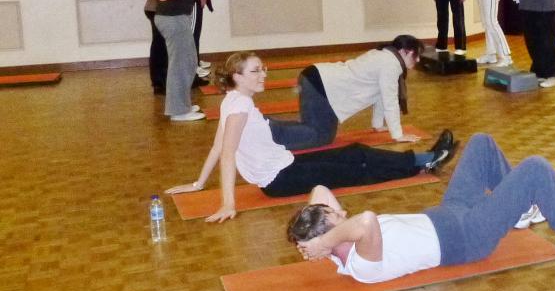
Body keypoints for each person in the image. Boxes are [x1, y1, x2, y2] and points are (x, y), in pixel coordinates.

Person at [165, 52, 456, 224]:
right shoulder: (239, 105)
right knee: (357, 161)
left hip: (284, 167)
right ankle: (426, 161)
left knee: (354, 154)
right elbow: (227, 153)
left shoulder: (232, 100)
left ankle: (424, 160)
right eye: (256, 71)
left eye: (263, 68)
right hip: (281, 179)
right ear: (237, 77)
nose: (263, 74)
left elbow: (218, 146)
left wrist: (199, 183)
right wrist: (228, 203)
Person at [287, 133, 555, 283]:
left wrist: (319, 241)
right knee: (536, 168)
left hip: (448, 211)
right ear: (332, 237)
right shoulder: (361, 264)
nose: (343, 212)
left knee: (481, 143)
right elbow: (366, 221)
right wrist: (324, 242)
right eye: (337, 217)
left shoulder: (336, 239)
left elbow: (320, 191)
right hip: (466, 238)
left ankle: (518, 210)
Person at [266, 35, 427, 151]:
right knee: (321, 136)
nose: (418, 59)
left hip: (317, 80)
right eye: (416, 54)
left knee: (314, 129)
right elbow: (390, 100)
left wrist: (377, 126)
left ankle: (264, 125)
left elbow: (380, 96)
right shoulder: (391, 64)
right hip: (321, 85)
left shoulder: (385, 55)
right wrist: (398, 135)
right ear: (404, 51)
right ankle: (266, 134)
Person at [139, 0, 203, 122]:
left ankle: (182, 104)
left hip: (175, 18)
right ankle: (178, 111)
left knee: (188, 62)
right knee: (180, 64)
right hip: (172, 19)